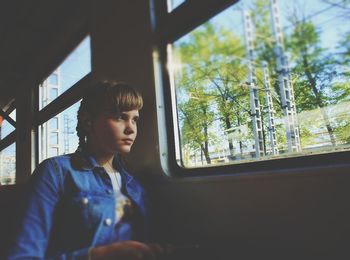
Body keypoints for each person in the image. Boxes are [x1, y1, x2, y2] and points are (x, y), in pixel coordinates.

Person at [8, 81, 167, 259]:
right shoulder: (56, 172)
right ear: (88, 121)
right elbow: (23, 255)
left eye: (134, 119)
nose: (131, 129)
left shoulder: (135, 185)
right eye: (120, 117)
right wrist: (96, 255)